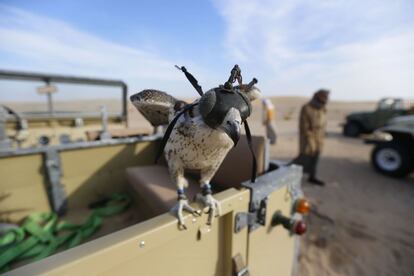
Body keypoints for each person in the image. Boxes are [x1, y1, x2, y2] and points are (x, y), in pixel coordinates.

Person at [292, 89, 329, 186]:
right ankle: (289, 174)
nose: (326, 99)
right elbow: (304, 127)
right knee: (304, 158)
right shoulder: (306, 108)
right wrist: (310, 140)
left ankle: (312, 177)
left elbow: (323, 123)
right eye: (324, 97)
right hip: (308, 138)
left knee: (315, 158)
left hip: (319, 138)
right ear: (317, 97)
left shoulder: (323, 108)